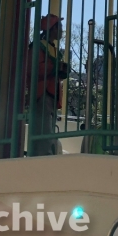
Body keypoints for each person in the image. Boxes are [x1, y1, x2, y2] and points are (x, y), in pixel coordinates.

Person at [30, 13, 68, 156]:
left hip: (51, 95)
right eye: (60, 27)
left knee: (48, 133)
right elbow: (34, 68)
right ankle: (41, 160)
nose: (62, 30)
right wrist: (55, 68)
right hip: (43, 94)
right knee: (44, 133)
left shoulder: (51, 47)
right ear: (52, 28)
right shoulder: (38, 46)